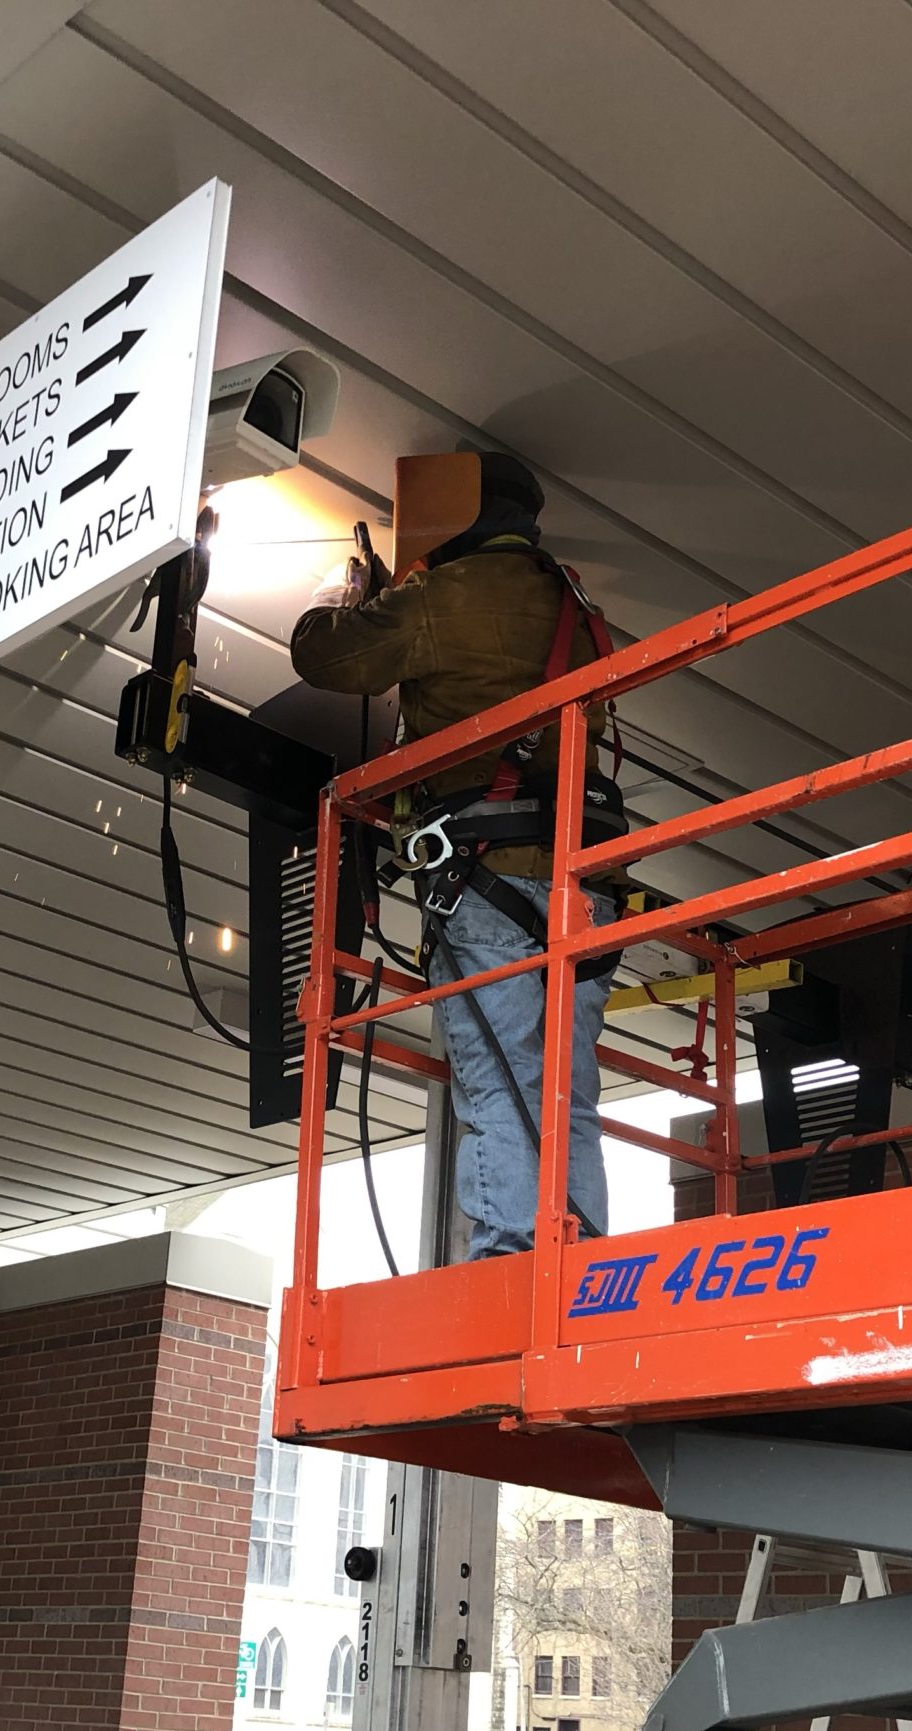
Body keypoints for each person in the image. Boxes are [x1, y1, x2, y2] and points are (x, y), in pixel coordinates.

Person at [290, 451, 618, 1259]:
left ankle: (509, 1265)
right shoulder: (574, 602)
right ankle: (583, 1263)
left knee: (498, 1089)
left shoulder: (441, 597)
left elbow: (322, 654)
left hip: (485, 878)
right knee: (566, 1092)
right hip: (585, 886)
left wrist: (345, 590)